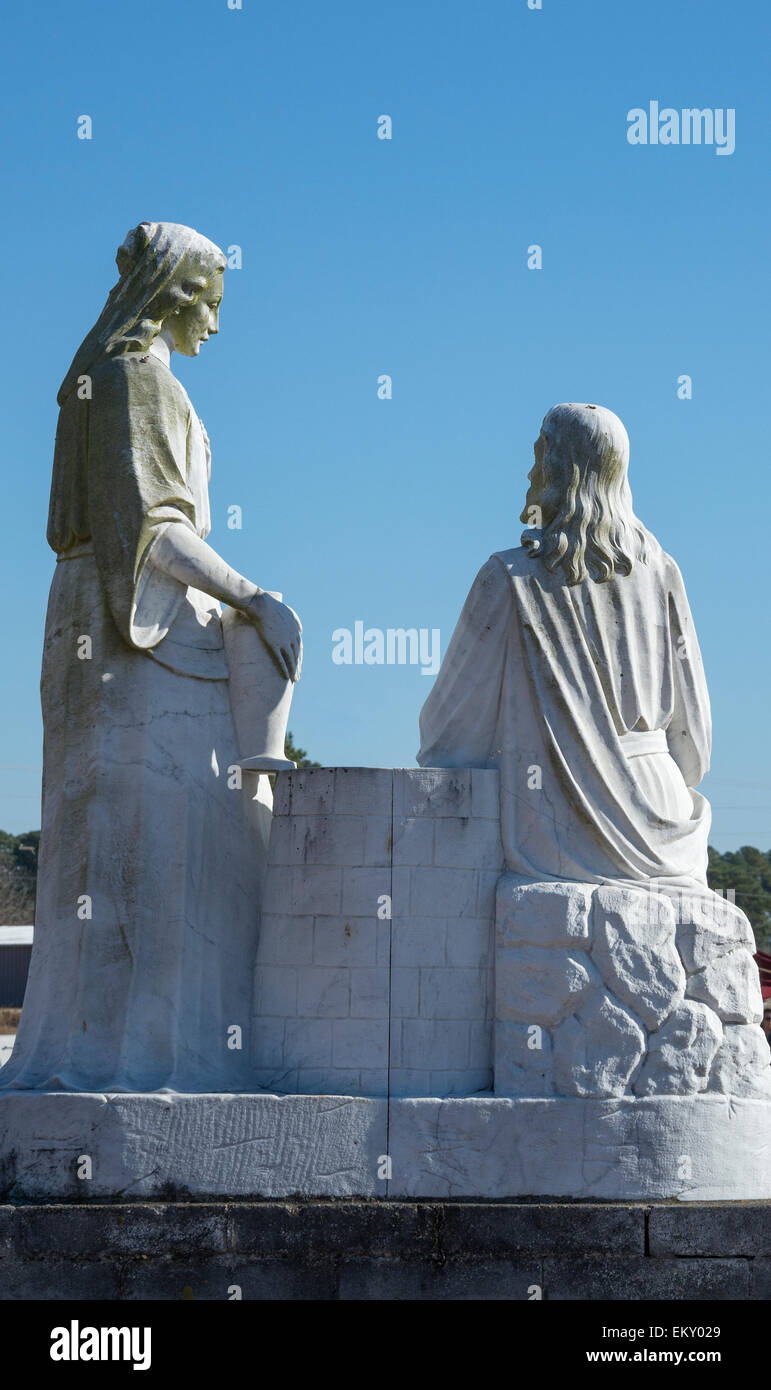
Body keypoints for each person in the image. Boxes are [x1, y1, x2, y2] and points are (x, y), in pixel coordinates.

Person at [1, 222, 301, 1092]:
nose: (215, 320)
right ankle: (149, 1066)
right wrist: (253, 597)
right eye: (211, 299)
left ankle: (112, 1056)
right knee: (164, 844)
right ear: (178, 294)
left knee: (125, 841)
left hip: (98, 622)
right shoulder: (138, 379)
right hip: (136, 634)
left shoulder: (100, 376)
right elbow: (159, 532)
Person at [418, 402, 711, 887]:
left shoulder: (509, 579)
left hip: (562, 814)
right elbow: (694, 745)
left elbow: (450, 736)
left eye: (538, 455)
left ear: (559, 470)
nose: (529, 471)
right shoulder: (664, 573)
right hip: (666, 809)